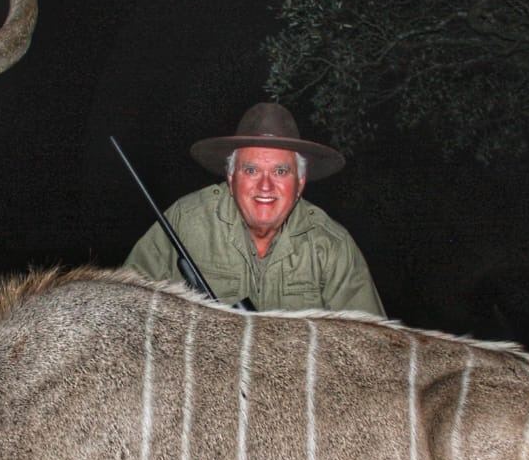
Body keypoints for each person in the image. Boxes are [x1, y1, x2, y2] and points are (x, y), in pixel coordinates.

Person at [124, 102, 385, 314]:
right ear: (230, 176)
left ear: (300, 182)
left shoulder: (331, 245)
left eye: (281, 171)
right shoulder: (184, 222)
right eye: (251, 170)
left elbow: (371, 349)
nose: (265, 185)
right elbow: (124, 309)